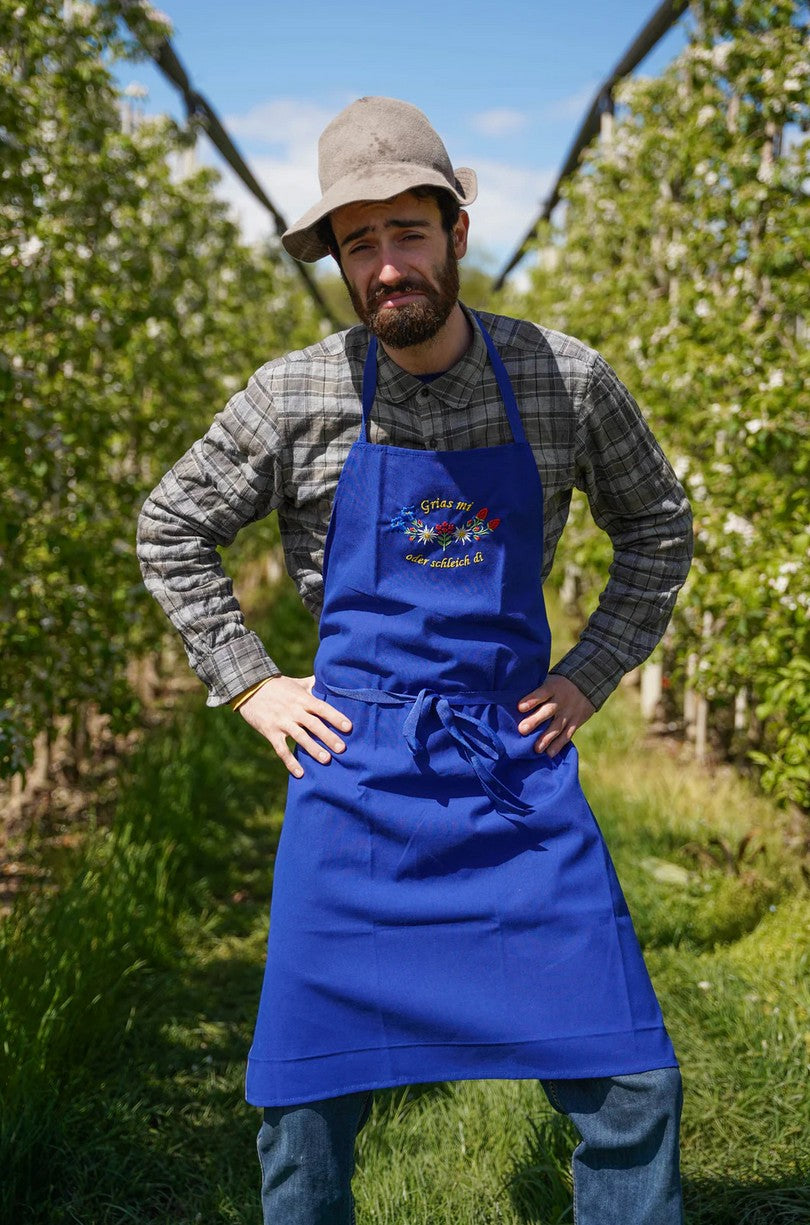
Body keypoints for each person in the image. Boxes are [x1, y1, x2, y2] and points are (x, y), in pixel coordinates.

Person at [137, 96, 692, 1225]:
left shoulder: (560, 379)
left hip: (512, 770)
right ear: (340, 262)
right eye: (360, 242)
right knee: (304, 1105)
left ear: (453, 234)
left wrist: (587, 673)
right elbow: (169, 525)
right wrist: (250, 680)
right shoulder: (296, 395)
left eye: (409, 232)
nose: (388, 264)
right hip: (356, 777)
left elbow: (660, 528)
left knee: (632, 1081)